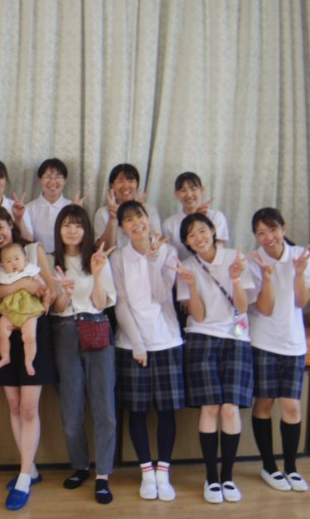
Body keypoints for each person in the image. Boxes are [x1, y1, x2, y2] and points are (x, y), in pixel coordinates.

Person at [169, 212, 255, 504]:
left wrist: (235, 279)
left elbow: (242, 307)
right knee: (211, 408)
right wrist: (191, 285)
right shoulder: (187, 267)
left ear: (213, 230)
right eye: (191, 235)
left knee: (230, 409)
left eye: (202, 230)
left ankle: (227, 477)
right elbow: (200, 315)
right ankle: (211, 478)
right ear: (186, 242)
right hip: (202, 337)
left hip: (236, 338)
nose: (198, 238)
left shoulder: (235, 258)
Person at [0, 206, 57, 511]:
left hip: (33, 330)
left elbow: (48, 290)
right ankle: (30, 468)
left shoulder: (33, 249)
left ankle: (24, 476)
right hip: (5, 330)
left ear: (11, 224)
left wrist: (26, 288)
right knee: (13, 405)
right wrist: (22, 285)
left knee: (28, 408)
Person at [110, 201, 185, 502]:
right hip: (131, 342)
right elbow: (120, 303)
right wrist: (137, 343)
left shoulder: (168, 252)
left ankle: (163, 473)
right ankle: (146, 473)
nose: (135, 223)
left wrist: (154, 260)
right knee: (137, 411)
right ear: (122, 228)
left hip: (166, 340)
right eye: (128, 220)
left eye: (139, 216)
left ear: (147, 217)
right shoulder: (118, 257)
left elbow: (162, 295)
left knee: (166, 410)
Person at [247, 208, 310, 493]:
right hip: (263, 341)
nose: (269, 237)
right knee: (264, 402)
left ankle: (291, 467)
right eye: (261, 233)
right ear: (256, 236)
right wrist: (266, 278)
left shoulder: (301, 256)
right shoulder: (254, 260)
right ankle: (269, 466)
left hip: (294, 343)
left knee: (291, 406)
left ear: (284, 228)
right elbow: (264, 308)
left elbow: (301, 301)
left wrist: (299, 273)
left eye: (273, 230)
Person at [50, 205, 118, 504]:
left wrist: (98, 274)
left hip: (97, 327)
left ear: (86, 229)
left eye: (78, 225)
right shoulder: (51, 260)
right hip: (64, 331)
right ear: (58, 229)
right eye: (66, 224)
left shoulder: (98, 258)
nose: (72, 230)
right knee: (71, 408)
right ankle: (80, 466)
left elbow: (101, 304)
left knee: (104, 407)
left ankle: (103, 475)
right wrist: (65, 292)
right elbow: (54, 308)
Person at [0, 242, 50, 375]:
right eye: (8, 261)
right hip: (9, 311)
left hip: (29, 310)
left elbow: (45, 288)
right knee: (1, 333)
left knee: (30, 337)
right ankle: (5, 356)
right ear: (3, 265)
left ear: (25, 260)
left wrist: (46, 303)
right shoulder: (5, 276)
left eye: (16, 259)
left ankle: (29, 361)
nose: (13, 263)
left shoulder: (30, 272)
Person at [162, 172, 230, 261]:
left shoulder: (216, 217)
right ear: (176, 194)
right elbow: (169, 255)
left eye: (193, 189)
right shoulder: (169, 224)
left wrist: (204, 220)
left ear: (202, 191)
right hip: (183, 268)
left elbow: (218, 250)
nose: (189, 194)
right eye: (183, 190)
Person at [94, 163, 161, 250]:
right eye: (120, 181)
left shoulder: (150, 209)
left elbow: (158, 242)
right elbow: (103, 249)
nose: (126, 186)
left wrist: (141, 213)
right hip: (115, 258)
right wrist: (112, 219)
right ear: (112, 186)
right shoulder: (102, 213)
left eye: (130, 181)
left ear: (137, 184)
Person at [25, 158, 81, 253]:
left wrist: (77, 213)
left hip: (65, 258)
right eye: (48, 177)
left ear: (65, 180)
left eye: (58, 177)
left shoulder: (72, 207)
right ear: (40, 180)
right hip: (38, 259)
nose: (52, 181)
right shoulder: (28, 209)